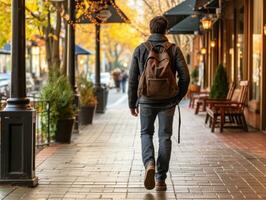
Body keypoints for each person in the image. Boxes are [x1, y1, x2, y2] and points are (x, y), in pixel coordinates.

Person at [128, 16, 190, 191]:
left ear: (150, 29)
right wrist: (177, 97)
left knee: (146, 133)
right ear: (166, 30)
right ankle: (161, 179)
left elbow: (133, 79)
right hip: (168, 101)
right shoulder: (174, 50)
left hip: (146, 100)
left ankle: (149, 164)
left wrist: (132, 103)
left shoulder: (140, 49)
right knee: (164, 137)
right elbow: (185, 77)